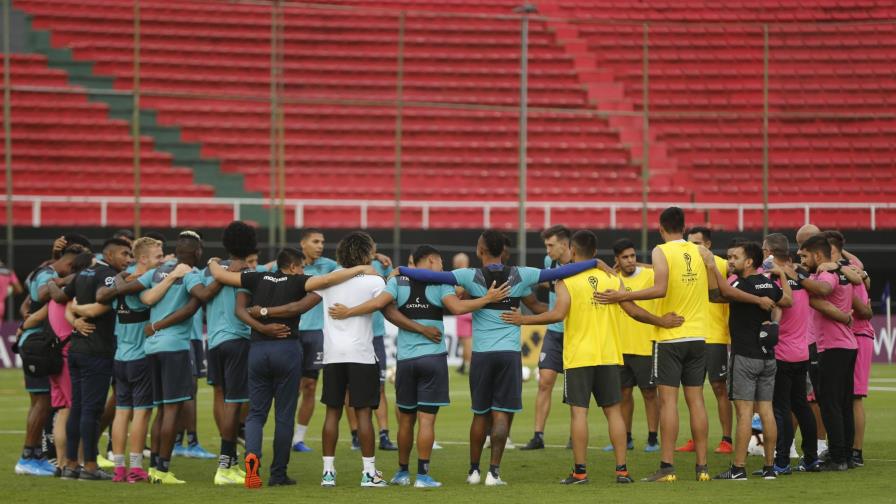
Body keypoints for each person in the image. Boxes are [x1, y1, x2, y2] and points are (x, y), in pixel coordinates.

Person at [399, 229, 601, 486]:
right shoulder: (521, 273)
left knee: (479, 413)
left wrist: (403, 271)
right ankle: (494, 474)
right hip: (508, 354)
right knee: (502, 414)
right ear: (502, 251)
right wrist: (594, 262)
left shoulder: (470, 276)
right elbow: (559, 272)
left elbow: (429, 275)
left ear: (480, 250)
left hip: (482, 355)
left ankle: (473, 471)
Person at [596, 207, 775, 483]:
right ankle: (702, 468)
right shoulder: (701, 252)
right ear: (684, 226)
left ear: (661, 227)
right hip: (699, 337)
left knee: (668, 402)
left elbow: (660, 289)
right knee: (696, 401)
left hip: (670, 336)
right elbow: (733, 269)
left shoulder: (661, 251)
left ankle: (667, 467)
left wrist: (623, 294)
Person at [503, 230, 684, 485]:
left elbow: (557, 314)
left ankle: (580, 472)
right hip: (609, 354)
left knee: (579, 414)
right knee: (614, 413)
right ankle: (622, 471)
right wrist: (660, 322)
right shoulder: (612, 277)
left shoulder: (567, 279)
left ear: (573, 252)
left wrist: (524, 320)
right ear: (595, 253)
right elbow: (632, 310)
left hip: (579, 356)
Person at [328, 244, 510, 488]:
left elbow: (379, 304)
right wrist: (487, 298)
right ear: (432, 261)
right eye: (441, 263)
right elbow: (456, 307)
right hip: (432, 359)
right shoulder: (440, 284)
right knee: (426, 421)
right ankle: (423, 476)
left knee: (405, 421)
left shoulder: (398, 282)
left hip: (406, 360)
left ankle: (402, 473)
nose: (443, 268)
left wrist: (349, 311)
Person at [209, 243, 381, 488]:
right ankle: (278, 474)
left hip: (258, 350)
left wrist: (211, 262)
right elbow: (329, 280)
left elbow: (219, 275)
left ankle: (251, 457)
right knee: (284, 415)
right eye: (301, 267)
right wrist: (362, 268)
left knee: (256, 414)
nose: (303, 271)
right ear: (292, 266)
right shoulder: (298, 282)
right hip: (286, 349)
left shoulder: (255, 277)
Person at [704, 241, 788, 480]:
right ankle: (770, 467)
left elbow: (726, 292)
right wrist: (780, 277)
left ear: (749, 261)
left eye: (734, 257)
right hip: (768, 357)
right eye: (728, 257)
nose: (730, 261)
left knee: (743, 413)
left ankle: (738, 468)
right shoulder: (768, 283)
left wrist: (711, 265)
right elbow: (786, 300)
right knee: (767, 411)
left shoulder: (740, 284)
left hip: (745, 356)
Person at [52, 238, 134, 481]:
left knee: (77, 407)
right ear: (109, 254)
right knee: (91, 409)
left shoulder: (82, 274)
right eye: (124, 254)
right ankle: (89, 466)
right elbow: (102, 304)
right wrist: (81, 314)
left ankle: (70, 465)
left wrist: (74, 318)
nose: (128, 259)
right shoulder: (108, 276)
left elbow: (63, 299)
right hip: (96, 352)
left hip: (77, 349)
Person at [14, 245, 85, 477]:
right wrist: (65, 281)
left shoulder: (40, 272)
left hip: (36, 342)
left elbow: (29, 305)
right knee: (43, 402)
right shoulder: (48, 276)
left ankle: (36, 455)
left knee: (47, 404)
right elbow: (45, 295)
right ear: (68, 263)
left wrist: (23, 324)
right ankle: (28, 457)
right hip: (40, 347)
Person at [196, 221, 257, 484]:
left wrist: (212, 261)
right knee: (236, 402)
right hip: (238, 340)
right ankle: (225, 464)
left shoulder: (209, 271)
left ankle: (229, 461)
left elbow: (204, 296)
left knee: (222, 397)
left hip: (215, 341)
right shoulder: (249, 273)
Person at [762, 233, 821, 474]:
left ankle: (782, 461)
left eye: (765, 250)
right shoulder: (802, 276)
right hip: (802, 352)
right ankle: (810, 458)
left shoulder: (775, 279)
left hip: (782, 353)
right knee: (802, 406)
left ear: (769, 252)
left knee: (781, 408)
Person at [797, 234, 857, 471]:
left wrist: (799, 277)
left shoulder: (826, 274)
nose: (801, 260)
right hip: (845, 345)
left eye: (804, 256)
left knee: (831, 403)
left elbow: (823, 288)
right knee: (842, 404)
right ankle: (847, 455)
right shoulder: (840, 272)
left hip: (833, 347)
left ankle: (838, 456)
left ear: (818, 255)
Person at [680, 226, 733, 455]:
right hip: (691, 334)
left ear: (708, 245)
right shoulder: (684, 266)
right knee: (693, 390)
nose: (693, 248)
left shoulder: (721, 265)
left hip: (715, 335)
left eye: (698, 243)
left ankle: (727, 439)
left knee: (720, 388)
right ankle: (696, 437)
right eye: (689, 243)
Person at [520, 225, 571, 451]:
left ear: (565, 244)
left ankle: (574, 435)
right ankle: (538, 435)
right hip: (554, 331)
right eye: (546, 246)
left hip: (576, 333)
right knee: (545, 381)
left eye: (551, 245)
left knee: (574, 389)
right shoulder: (549, 263)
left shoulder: (580, 265)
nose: (547, 250)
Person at [611, 238, 660, 453]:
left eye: (633, 256)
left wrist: (641, 265)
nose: (630, 261)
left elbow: (663, 269)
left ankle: (652, 439)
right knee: (623, 394)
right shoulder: (612, 281)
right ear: (617, 260)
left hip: (645, 345)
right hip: (620, 347)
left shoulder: (649, 275)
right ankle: (626, 437)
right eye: (625, 257)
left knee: (649, 394)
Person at [291, 228, 338, 453]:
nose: (320, 245)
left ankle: (298, 438)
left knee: (309, 386)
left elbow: (349, 269)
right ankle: (283, 432)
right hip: (291, 332)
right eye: (315, 241)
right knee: (289, 387)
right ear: (303, 244)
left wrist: (376, 257)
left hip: (316, 334)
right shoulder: (291, 266)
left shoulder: (328, 266)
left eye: (322, 242)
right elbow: (264, 269)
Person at [453, 252, 474, 375]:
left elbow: (457, 293)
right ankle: (463, 364)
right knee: (469, 341)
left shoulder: (458, 276)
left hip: (463, 311)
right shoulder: (473, 273)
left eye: (455, 261)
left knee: (466, 341)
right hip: (474, 310)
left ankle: (469, 365)